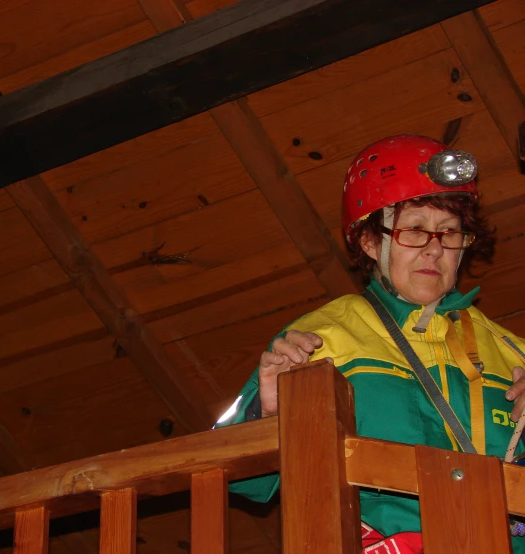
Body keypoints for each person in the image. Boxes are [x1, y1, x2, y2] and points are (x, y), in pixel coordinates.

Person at [217, 135, 525, 553]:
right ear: (369, 241)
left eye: (449, 233)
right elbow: (238, 483)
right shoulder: (319, 338)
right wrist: (266, 416)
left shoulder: (513, 351)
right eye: (415, 230)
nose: (435, 251)